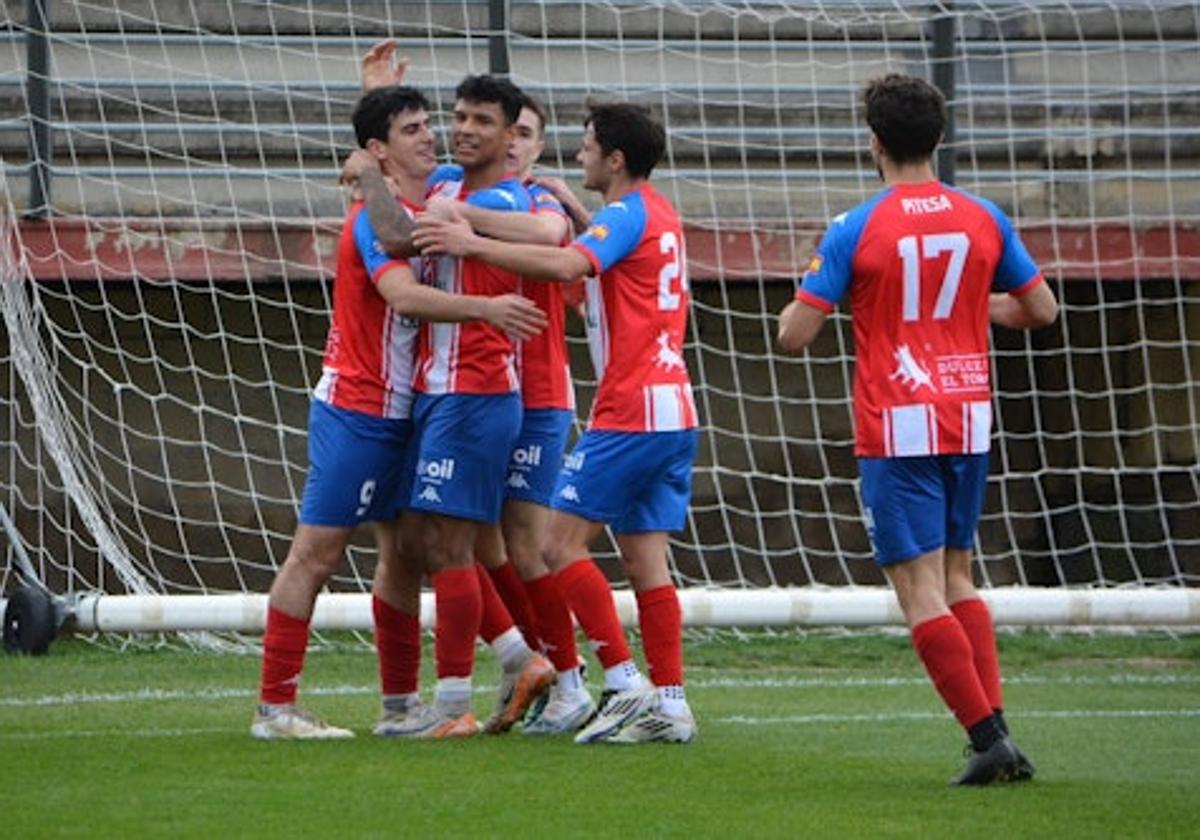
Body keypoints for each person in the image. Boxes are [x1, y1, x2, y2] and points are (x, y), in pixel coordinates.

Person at [776, 73, 1058, 784]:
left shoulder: (856, 227)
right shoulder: (984, 216)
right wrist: (966, 310)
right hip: (968, 416)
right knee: (960, 575)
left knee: (918, 589)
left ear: (873, 142)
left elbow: (795, 335)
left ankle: (988, 737)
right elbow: (1042, 310)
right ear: (939, 138)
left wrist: (812, 295)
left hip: (897, 423)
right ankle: (996, 737)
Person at [251, 85, 547, 740]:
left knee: (409, 553)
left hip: (407, 410)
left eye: (427, 124)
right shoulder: (373, 220)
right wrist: (487, 310)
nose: (432, 135)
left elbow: (474, 176)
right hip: (359, 408)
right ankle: (275, 708)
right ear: (383, 150)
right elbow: (404, 297)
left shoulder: (429, 194)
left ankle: (401, 706)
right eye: (413, 128)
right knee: (317, 554)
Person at [414, 101, 700, 744]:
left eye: (589, 145)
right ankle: (672, 704)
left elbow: (571, 265)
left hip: (631, 410)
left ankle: (624, 684)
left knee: (553, 545)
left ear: (616, 159)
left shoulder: (628, 213)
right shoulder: (656, 213)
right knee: (645, 560)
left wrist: (468, 242)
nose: (579, 155)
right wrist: (576, 212)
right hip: (673, 408)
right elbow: (596, 270)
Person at [422, 91, 596, 735]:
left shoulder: (538, 199)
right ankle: (535, 662)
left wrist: (463, 227)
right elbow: (400, 171)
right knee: (477, 538)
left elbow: (555, 235)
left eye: (524, 133)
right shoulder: (455, 182)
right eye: (506, 130)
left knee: (522, 543)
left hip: (537, 390)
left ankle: (573, 677)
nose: (513, 142)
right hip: (490, 389)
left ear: (535, 146)